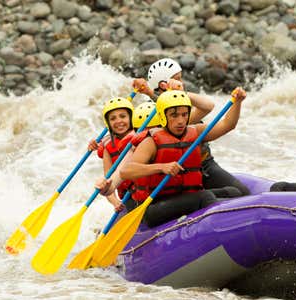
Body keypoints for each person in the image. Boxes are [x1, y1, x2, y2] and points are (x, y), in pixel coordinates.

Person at [108, 88, 247, 228]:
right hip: (154, 207)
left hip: (184, 196)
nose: (180, 121)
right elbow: (126, 171)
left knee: (234, 192)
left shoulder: (195, 131)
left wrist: (237, 102)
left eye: (184, 114)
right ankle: (222, 230)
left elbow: (227, 125)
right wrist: (161, 167)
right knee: (204, 197)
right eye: (174, 115)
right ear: (163, 116)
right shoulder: (151, 141)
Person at [133, 58, 250, 196]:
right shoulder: (157, 116)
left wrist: (237, 102)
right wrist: (152, 94)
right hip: (177, 173)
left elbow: (209, 108)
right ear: (164, 85)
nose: (180, 119)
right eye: (177, 79)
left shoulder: (184, 111)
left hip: (205, 165)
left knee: (241, 192)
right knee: (219, 195)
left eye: (180, 79)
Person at [96, 97, 135, 212]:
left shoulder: (141, 135)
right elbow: (108, 180)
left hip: (149, 190)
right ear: (108, 123)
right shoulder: (108, 147)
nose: (118, 121)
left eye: (123, 116)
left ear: (131, 118)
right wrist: (115, 202)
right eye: (113, 119)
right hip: (130, 197)